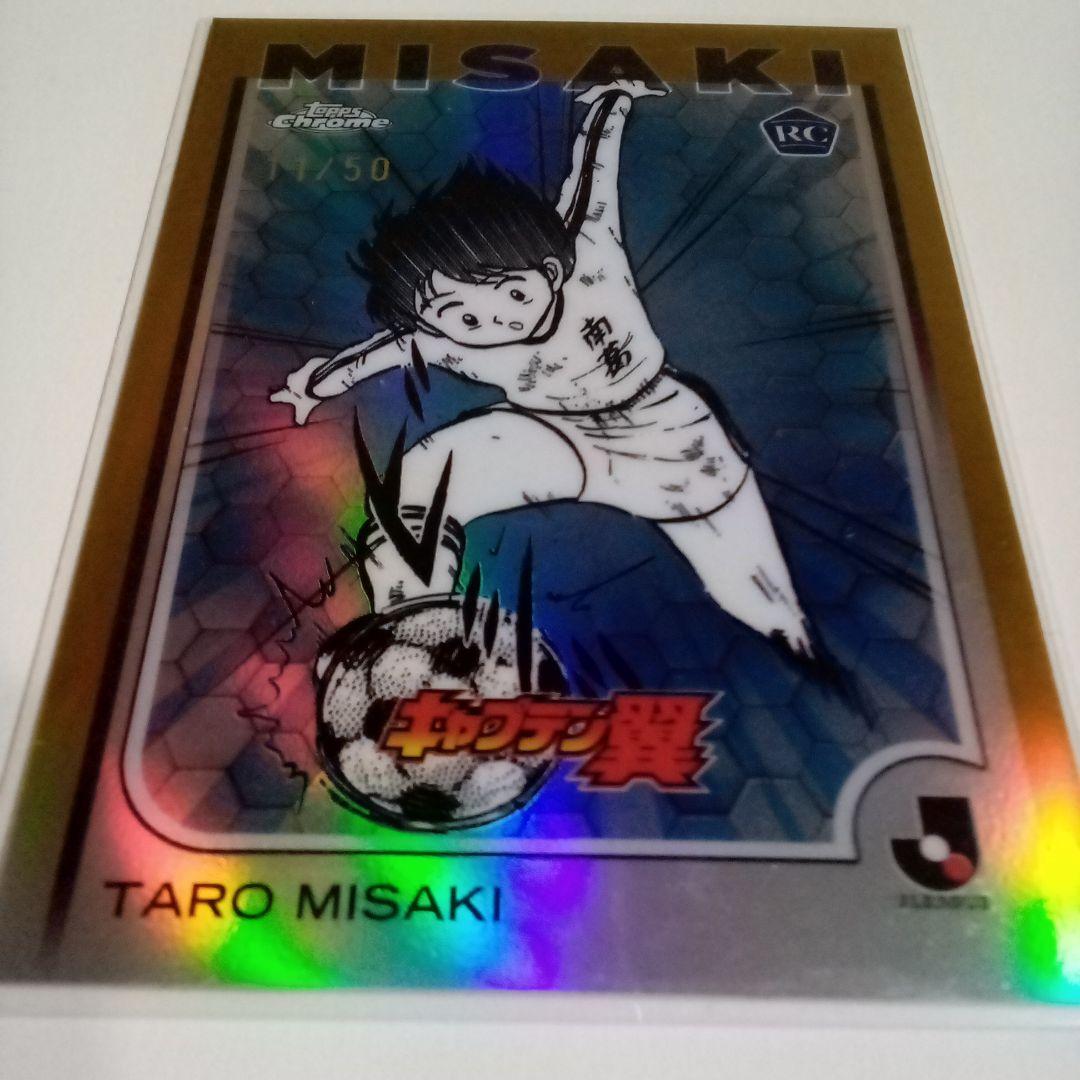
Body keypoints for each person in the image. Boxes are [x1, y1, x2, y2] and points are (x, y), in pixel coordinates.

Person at [271, 79, 813, 656]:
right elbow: (381, 351)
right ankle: (418, 633)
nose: (496, 320)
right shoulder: (443, 342)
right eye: (464, 317)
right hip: (552, 433)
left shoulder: (589, 254)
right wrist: (312, 387)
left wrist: (613, 101)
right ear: (435, 323)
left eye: (510, 294)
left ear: (551, 270)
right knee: (416, 486)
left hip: (668, 435)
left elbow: (593, 172)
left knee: (756, 593)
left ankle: (795, 640)